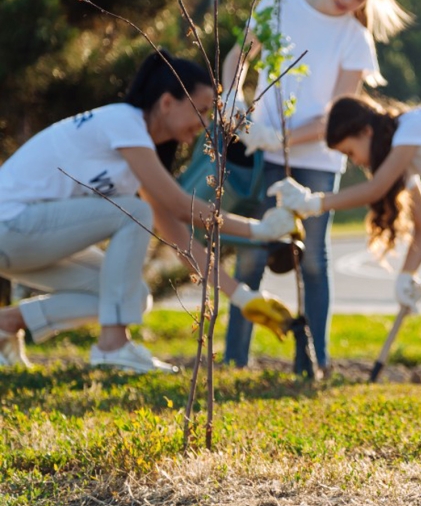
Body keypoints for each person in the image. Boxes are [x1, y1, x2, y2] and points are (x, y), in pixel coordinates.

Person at [0, 50, 299, 373]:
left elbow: (179, 237)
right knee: (134, 212)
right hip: (11, 227)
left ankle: (7, 323)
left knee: (134, 296)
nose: (204, 124)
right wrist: (259, 229)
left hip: (24, 241)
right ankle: (113, 347)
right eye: (200, 111)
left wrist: (241, 296)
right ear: (167, 102)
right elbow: (179, 206)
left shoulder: (137, 156)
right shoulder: (123, 121)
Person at [221, 0, 412, 373]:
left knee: (312, 258)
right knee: (253, 253)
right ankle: (234, 359)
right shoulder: (279, 3)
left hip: (318, 161)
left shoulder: (355, 38)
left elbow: (338, 115)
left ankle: (314, 361)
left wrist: (279, 136)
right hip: (259, 151)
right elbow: (240, 53)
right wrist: (232, 94)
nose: (349, 0)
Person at [269, 93, 421, 390]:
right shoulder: (401, 155)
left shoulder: (412, 127)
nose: (355, 162)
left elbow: (375, 190)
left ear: (366, 131)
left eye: (350, 152)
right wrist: (406, 276)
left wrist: (313, 203)